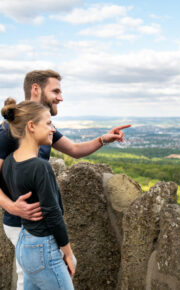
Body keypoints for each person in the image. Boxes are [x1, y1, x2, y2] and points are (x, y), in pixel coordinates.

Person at [0, 70, 130, 289]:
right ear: (36, 89)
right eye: (56, 91)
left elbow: (75, 149)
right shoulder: (10, 132)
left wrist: (102, 139)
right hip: (24, 225)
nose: (61, 97)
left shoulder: (41, 126)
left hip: (35, 227)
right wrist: (12, 207)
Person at [1, 98, 75, 289]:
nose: (52, 129)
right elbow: (53, 214)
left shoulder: (9, 161)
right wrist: (67, 252)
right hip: (44, 247)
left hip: (25, 244)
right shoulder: (40, 167)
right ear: (31, 126)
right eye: (49, 123)